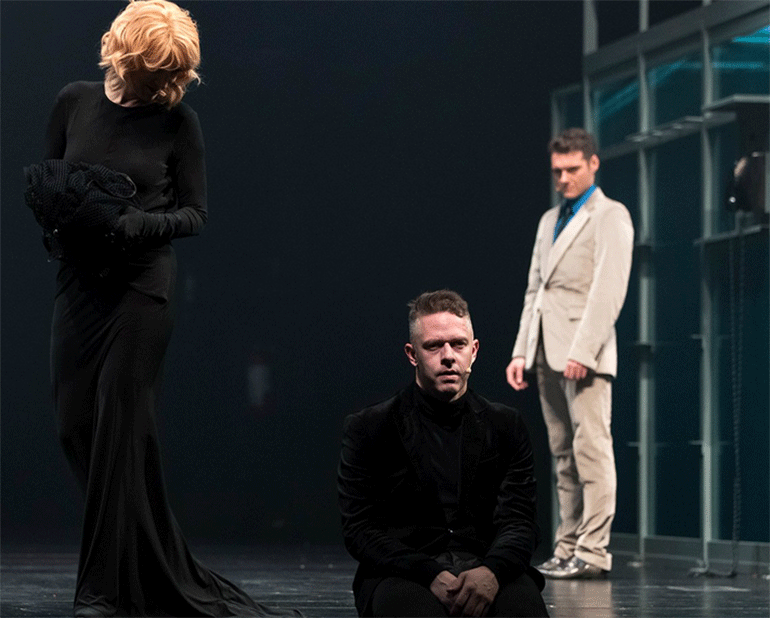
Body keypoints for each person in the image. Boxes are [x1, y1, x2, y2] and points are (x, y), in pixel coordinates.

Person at [42, 2, 299, 616]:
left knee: (119, 433)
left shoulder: (179, 123)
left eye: (168, 76)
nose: (161, 86)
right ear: (124, 55)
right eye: (152, 73)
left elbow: (195, 213)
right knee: (74, 425)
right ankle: (150, 559)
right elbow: (52, 182)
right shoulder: (74, 101)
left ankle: (102, 591)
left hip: (141, 290)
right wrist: (59, 222)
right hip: (80, 284)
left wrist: (140, 224)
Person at [339, 290, 549, 617]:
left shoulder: (505, 425)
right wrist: (429, 574)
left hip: (489, 567)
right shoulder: (371, 427)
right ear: (412, 354)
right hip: (404, 571)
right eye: (434, 346)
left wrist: (492, 571)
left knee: (523, 611)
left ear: (474, 351)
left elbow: (520, 520)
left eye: (458, 344)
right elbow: (360, 529)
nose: (448, 356)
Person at [506, 128, 634, 580]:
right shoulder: (549, 219)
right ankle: (567, 546)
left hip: (584, 353)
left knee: (592, 450)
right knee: (563, 455)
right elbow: (535, 290)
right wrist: (521, 351)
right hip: (546, 349)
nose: (564, 178)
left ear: (594, 164)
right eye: (557, 171)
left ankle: (593, 550)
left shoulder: (610, 215)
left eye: (572, 169)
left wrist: (585, 350)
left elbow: (608, 290)